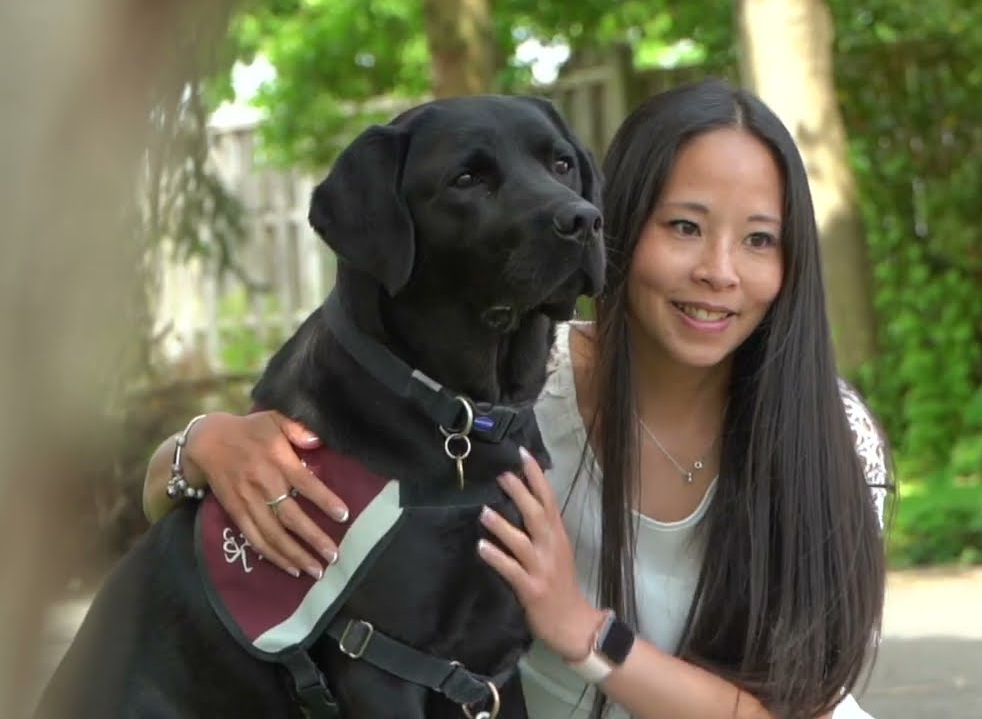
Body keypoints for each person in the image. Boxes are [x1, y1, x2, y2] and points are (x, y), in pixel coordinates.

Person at [142, 78, 894, 719]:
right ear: (620, 222)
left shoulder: (826, 436)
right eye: (685, 227)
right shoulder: (506, 400)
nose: (720, 271)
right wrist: (200, 444)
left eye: (760, 240)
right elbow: (221, 545)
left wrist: (583, 632)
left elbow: (796, 706)